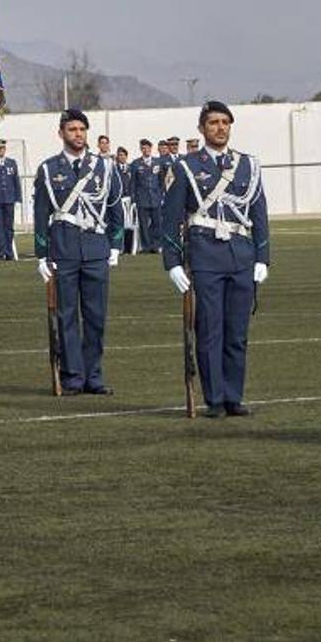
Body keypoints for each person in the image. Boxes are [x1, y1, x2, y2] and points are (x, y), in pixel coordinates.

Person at [162, 101, 270, 418]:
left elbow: (259, 214)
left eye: (225, 122)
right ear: (201, 129)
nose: (220, 128)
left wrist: (262, 256)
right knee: (210, 330)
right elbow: (170, 219)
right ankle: (215, 399)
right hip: (205, 255)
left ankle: (234, 396)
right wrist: (172, 262)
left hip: (241, 255)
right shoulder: (185, 167)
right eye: (213, 123)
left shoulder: (248, 165)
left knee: (237, 331)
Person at [33, 109, 124, 395]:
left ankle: (94, 376)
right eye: (72, 129)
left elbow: (115, 207)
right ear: (61, 133)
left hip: (96, 249)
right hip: (64, 250)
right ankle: (72, 376)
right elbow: (40, 215)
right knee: (67, 316)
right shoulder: (48, 169)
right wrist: (41, 254)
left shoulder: (105, 167)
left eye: (82, 129)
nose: (78, 134)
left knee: (96, 316)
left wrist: (116, 244)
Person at [130, 138, 164, 253]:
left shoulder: (157, 162)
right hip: (142, 198)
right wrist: (133, 198)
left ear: (151, 148)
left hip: (155, 198)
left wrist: (161, 195)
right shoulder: (136, 164)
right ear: (141, 149)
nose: (146, 150)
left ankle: (156, 245)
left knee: (157, 223)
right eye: (143, 148)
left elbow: (161, 181)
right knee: (143, 224)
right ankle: (146, 246)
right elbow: (133, 183)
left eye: (147, 148)